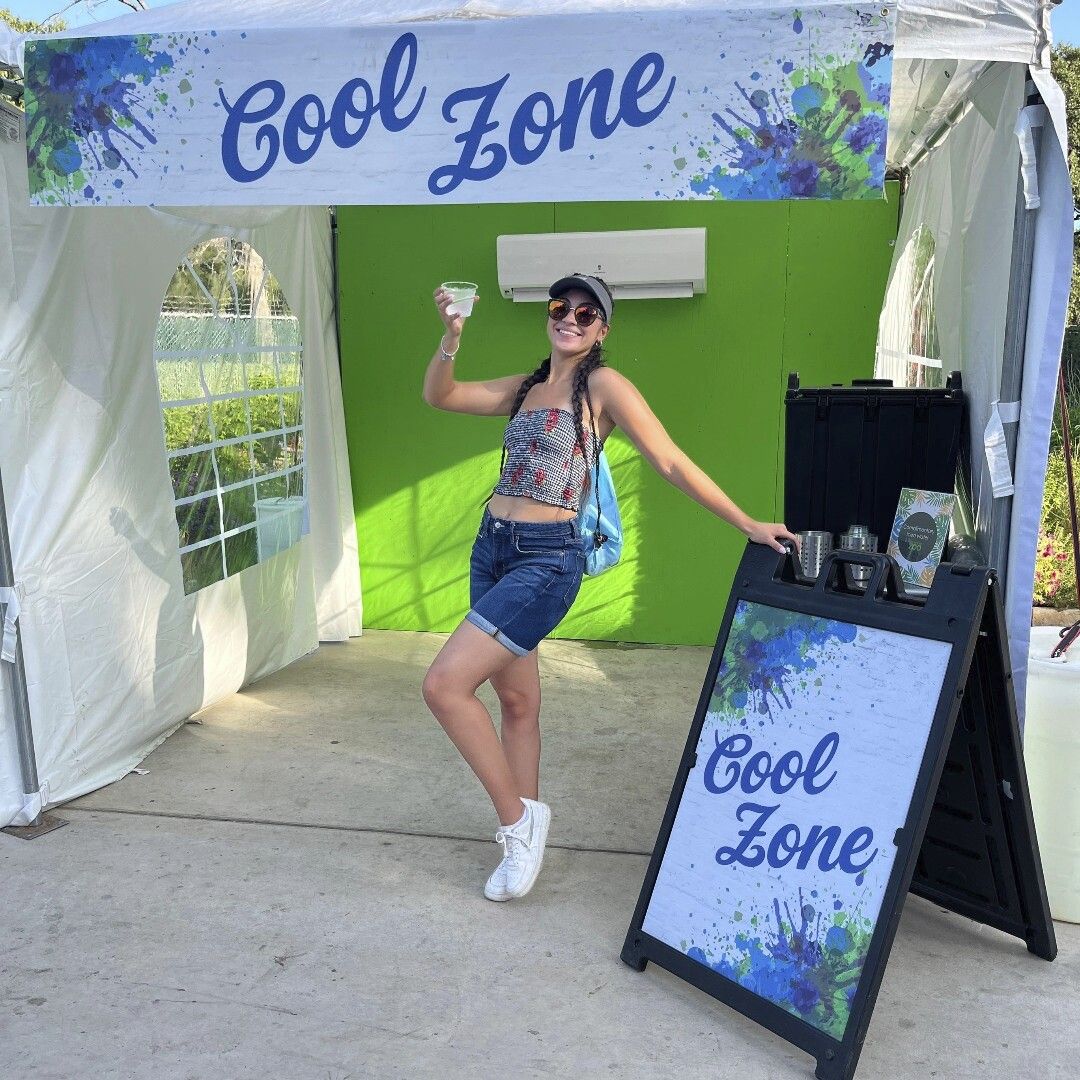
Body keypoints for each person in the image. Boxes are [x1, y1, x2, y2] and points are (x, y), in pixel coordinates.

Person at [420, 273, 798, 902]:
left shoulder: (603, 386)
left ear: (603, 329)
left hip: (546, 561)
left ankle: (517, 822)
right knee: (517, 703)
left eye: (586, 313)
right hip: (492, 549)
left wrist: (748, 523)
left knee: (444, 685)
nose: (570, 318)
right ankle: (529, 829)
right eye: (561, 307)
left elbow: (671, 461)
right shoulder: (527, 387)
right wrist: (451, 335)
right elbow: (443, 395)